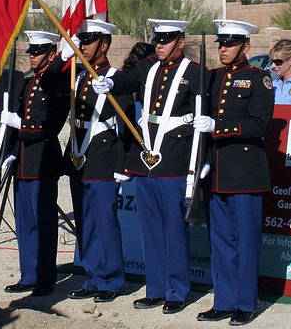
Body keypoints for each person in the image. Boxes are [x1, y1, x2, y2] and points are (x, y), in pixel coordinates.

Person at [92, 19, 200, 314]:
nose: (160, 45)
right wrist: (110, 83)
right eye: (158, 40)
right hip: (147, 157)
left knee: (175, 230)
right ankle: (156, 288)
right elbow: (128, 81)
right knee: (150, 229)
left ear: (180, 41)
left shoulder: (193, 73)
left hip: (175, 157)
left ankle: (177, 290)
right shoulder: (149, 68)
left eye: (166, 40)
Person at [194, 19, 274, 325]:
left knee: (246, 241)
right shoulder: (212, 78)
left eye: (229, 44)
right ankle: (224, 301)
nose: (223, 49)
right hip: (217, 173)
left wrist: (219, 127)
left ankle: (245, 303)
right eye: (221, 44)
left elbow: (259, 124)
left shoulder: (258, 79)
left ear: (246, 47)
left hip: (245, 173)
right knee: (220, 242)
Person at [64, 19, 135, 303]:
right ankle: (93, 275)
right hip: (80, 158)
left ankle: (112, 280)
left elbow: (127, 125)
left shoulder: (115, 78)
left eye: (88, 41)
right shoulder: (79, 76)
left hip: (103, 158)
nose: (83, 45)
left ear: (104, 45)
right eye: (81, 40)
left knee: (105, 222)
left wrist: (122, 165)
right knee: (85, 222)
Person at [0, 30, 69, 297]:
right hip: (23, 161)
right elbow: (12, 124)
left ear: (52, 55)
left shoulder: (59, 85)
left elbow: (50, 125)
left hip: (44, 160)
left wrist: (21, 125)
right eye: (31, 52)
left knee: (45, 222)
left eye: (38, 52)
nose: (32, 57)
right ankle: (28, 274)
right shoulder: (25, 83)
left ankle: (45, 277)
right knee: (25, 223)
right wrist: (8, 152)